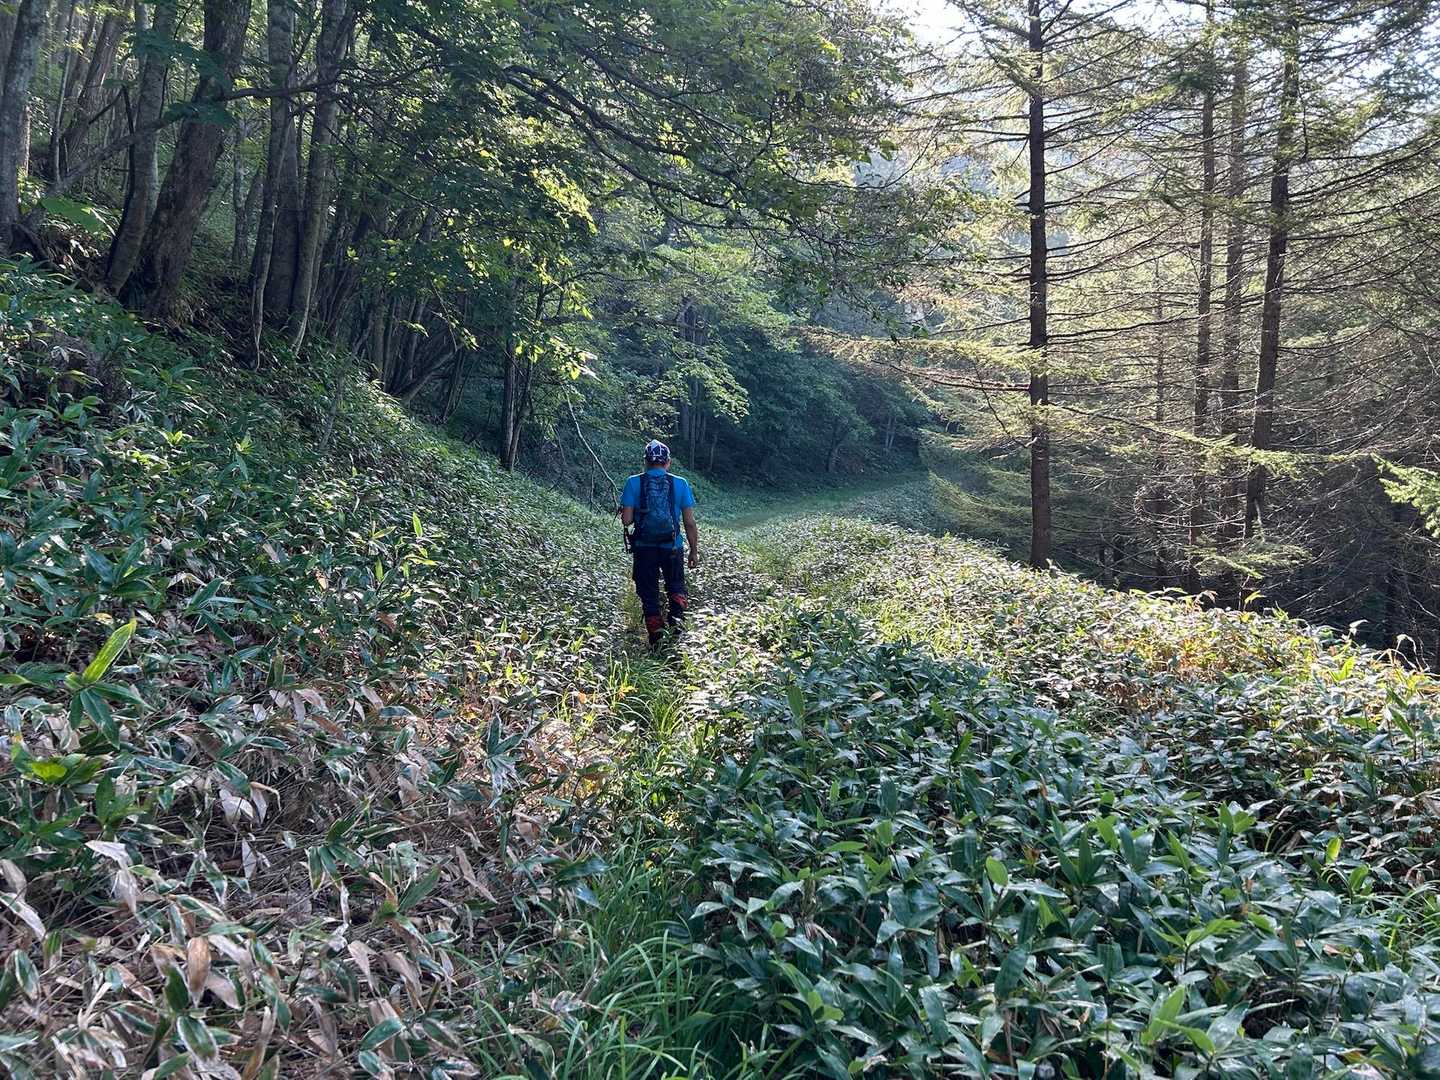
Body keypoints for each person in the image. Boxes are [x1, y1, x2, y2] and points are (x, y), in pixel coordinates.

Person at [620, 440, 700, 647]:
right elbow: (689, 523)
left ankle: (656, 641)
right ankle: (676, 631)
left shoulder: (633, 482)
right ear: (668, 462)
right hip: (672, 546)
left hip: (644, 547)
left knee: (648, 593)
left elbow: (627, 520)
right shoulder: (680, 484)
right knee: (676, 586)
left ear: (645, 462)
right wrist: (693, 551)